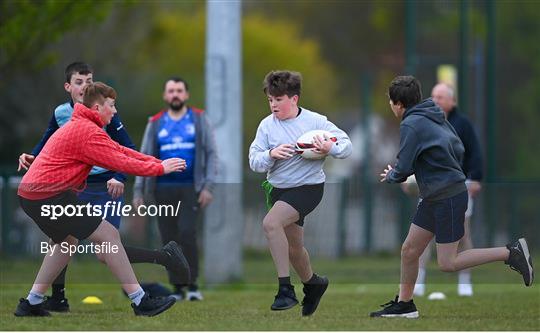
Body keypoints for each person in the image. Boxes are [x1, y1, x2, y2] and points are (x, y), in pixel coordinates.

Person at [17, 62, 189, 312]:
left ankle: (31, 302)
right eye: (112, 105)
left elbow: (121, 149)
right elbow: (121, 162)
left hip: (32, 195)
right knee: (108, 236)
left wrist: (158, 162)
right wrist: (160, 169)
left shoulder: (85, 126)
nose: (115, 110)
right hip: (47, 196)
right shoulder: (87, 132)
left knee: (65, 242)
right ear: (97, 107)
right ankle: (141, 300)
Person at [370, 75, 533, 319]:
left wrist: (394, 175)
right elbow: (457, 148)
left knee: (448, 262)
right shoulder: (433, 114)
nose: (391, 107)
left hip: (446, 196)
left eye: (391, 102)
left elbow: (403, 165)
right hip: (437, 194)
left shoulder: (411, 123)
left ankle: (511, 252)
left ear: (398, 104)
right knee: (410, 250)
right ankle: (405, 305)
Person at [249, 70, 352, 316]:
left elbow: (346, 145)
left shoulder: (315, 122)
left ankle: (285, 289)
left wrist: (331, 147)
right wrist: (270, 155)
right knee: (295, 249)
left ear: (294, 99)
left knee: (270, 224)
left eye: (279, 99)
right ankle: (313, 284)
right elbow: (254, 160)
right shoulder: (266, 126)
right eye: (270, 100)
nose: (273, 104)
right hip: (278, 191)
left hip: (307, 188)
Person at [133, 77, 218, 301]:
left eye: (179, 90)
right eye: (171, 91)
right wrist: (139, 191)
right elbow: (144, 157)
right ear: (165, 95)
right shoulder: (156, 122)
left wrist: (208, 186)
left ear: (186, 95)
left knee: (187, 234)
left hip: (191, 188)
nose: (175, 95)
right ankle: (177, 287)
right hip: (162, 189)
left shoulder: (199, 119)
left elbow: (211, 154)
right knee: (169, 238)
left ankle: (192, 285)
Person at [409, 83, 484, 297]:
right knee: (423, 236)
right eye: (433, 96)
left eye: (441, 96)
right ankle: (419, 281)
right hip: (431, 188)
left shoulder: (462, 124)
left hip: (458, 188)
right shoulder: (425, 122)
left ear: (452, 101)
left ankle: (465, 281)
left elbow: (474, 152)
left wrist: (476, 178)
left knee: (462, 234)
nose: (436, 100)